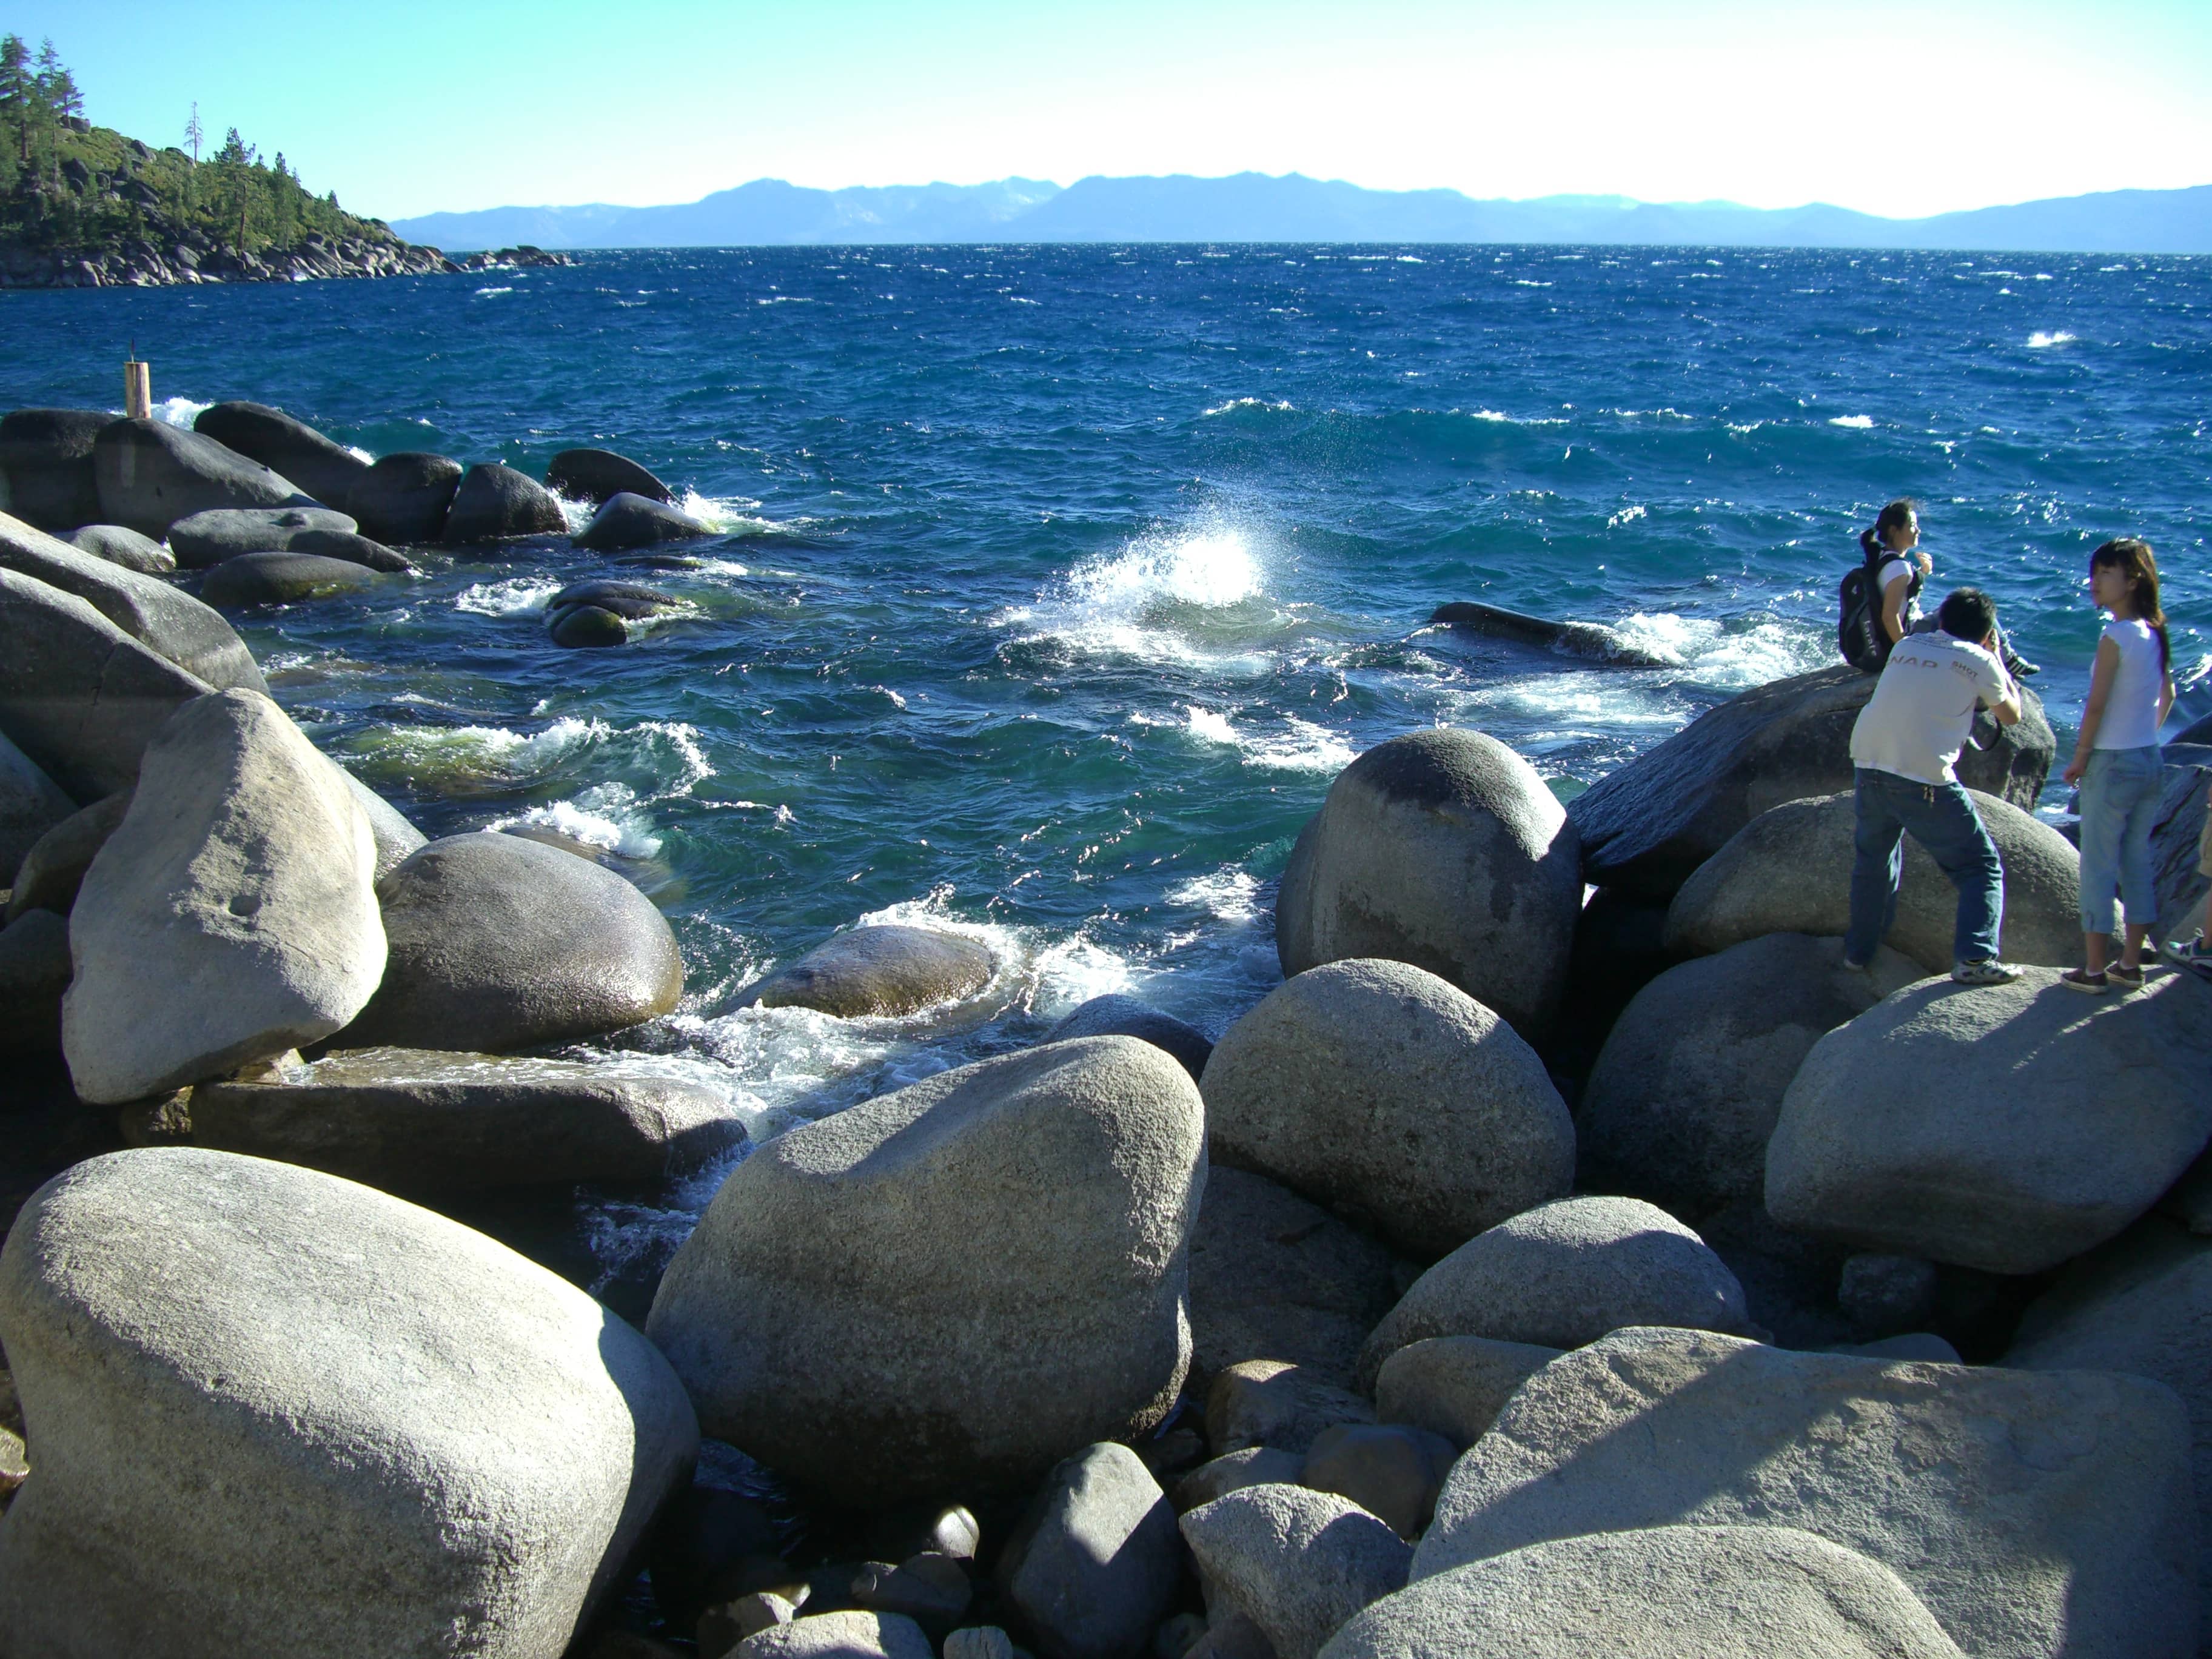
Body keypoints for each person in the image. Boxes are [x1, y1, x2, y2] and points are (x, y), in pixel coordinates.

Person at [1843, 586, 2025, 983]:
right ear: (1986, 633)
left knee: (1875, 863)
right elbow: (2011, 716)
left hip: (1868, 761)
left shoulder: (1907, 645)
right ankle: (1975, 960)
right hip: (1923, 777)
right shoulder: (1980, 657)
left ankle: (1857, 954)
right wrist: (1996, 658)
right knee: (1981, 867)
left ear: (1942, 620)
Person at [2061, 538, 2174, 993]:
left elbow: (2095, 707)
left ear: (2132, 581)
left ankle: (2092, 970)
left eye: (2106, 573)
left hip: (2112, 763)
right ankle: (2130, 964)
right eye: (2095, 572)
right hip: (2149, 758)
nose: (2095, 582)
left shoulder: (2116, 636)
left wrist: (2081, 758)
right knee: (2136, 861)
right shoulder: (2154, 632)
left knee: (2098, 867)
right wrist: (2143, 735)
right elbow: (2167, 697)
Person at [1862, 500, 2040, 677]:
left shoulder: (1882, 558)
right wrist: (1905, 654)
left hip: (1909, 632)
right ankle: (2007, 660)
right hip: (1912, 636)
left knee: (1963, 609)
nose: (1918, 530)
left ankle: (1998, 660)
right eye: (1912, 525)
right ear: (1894, 530)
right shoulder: (1899, 568)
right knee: (1976, 608)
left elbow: (1898, 602)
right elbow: (1890, 615)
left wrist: (1923, 573)